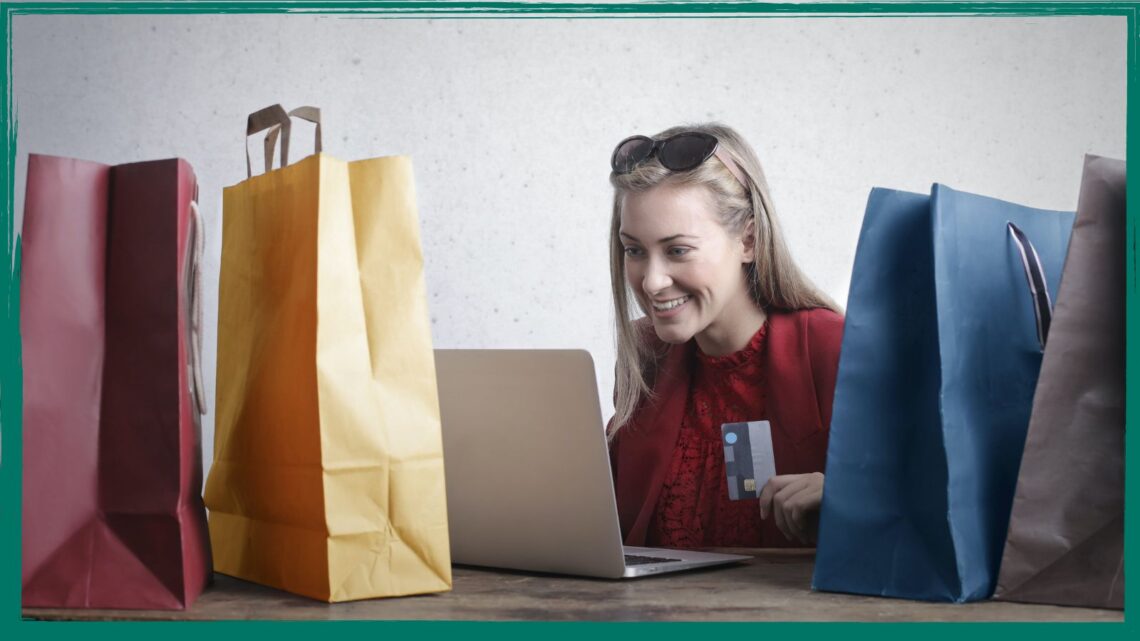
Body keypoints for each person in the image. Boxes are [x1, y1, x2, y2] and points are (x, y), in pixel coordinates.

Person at [606, 123, 844, 549]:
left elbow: (928, 500)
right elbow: (610, 521)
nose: (652, 281)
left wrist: (852, 499)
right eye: (634, 250)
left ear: (748, 240)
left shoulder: (832, 349)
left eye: (678, 250)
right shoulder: (647, 356)